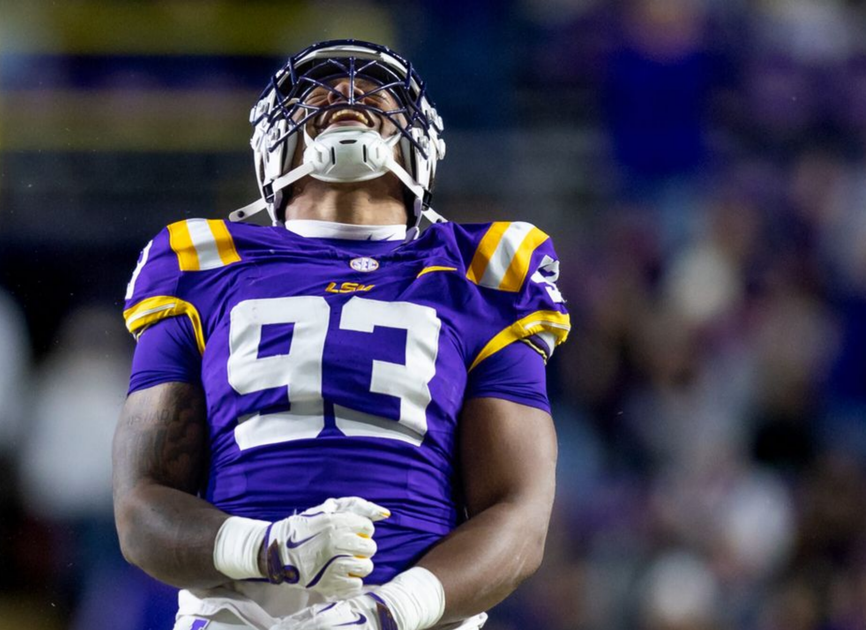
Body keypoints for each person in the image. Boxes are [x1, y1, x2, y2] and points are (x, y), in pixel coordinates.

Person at [112, 40, 570, 630]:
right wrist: (270, 549)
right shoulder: (201, 262)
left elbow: (520, 514)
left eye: (377, 94)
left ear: (420, 144)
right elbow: (141, 508)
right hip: (238, 615)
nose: (348, 95)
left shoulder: (480, 270)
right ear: (273, 146)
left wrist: (387, 611)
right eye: (319, 93)